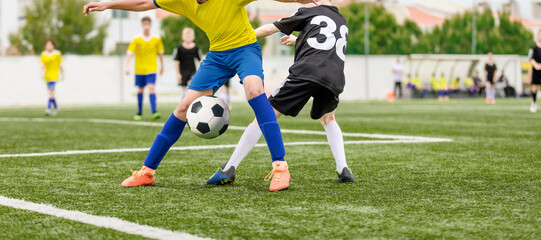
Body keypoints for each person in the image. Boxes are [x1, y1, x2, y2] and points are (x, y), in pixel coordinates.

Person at [83, 0, 314, 192]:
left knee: (254, 88)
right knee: (184, 107)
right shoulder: (182, 1)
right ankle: (147, 171)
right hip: (217, 56)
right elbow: (144, 2)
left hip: (245, 49)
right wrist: (108, 4)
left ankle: (280, 166)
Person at [206, 0, 353, 185]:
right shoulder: (341, 20)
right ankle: (343, 169)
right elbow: (324, 41)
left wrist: (239, 38)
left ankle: (229, 168)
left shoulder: (309, 11)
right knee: (328, 119)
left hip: (306, 72)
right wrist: (299, 39)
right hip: (334, 77)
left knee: (263, 115)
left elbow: (269, 29)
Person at [126, 16, 164, 121]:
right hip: (139, 69)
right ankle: (139, 112)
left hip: (152, 68)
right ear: (142, 25)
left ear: (151, 25)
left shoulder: (156, 39)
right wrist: (127, 66)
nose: (146, 26)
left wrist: (162, 66)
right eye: (144, 24)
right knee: (140, 89)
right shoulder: (136, 39)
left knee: (151, 87)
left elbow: (160, 54)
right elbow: (129, 53)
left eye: (148, 24)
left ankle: (154, 111)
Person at [173, 27, 201, 100]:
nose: (188, 38)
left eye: (190, 36)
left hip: (192, 71)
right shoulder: (179, 48)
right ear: (182, 36)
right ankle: (183, 100)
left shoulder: (196, 48)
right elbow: (176, 61)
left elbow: (199, 60)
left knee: (191, 87)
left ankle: (190, 100)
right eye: (186, 36)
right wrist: (178, 73)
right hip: (183, 72)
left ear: (193, 37)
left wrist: (199, 72)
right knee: (184, 89)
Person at [40, 39, 63, 116]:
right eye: (47, 45)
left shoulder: (57, 53)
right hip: (47, 76)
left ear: (53, 45)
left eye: (50, 44)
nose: (48, 46)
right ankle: (56, 108)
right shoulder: (43, 54)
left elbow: (60, 64)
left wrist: (62, 74)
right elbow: (43, 65)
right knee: (51, 94)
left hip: (54, 75)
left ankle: (48, 109)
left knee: (51, 92)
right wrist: (42, 74)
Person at [528, 29, 541, 113]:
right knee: (535, 87)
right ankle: (534, 102)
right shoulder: (533, 48)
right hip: (536, 71)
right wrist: (536, 65)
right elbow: (530, 58)